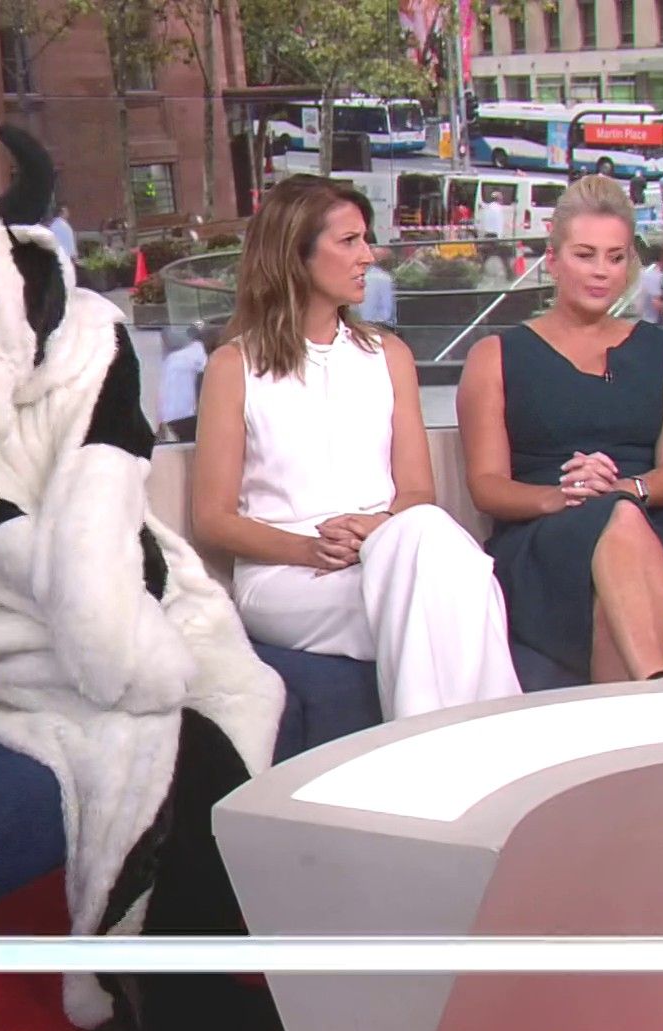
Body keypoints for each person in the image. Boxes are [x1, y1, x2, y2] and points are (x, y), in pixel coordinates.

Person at [191, 175, 520, 722]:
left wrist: (377, 530)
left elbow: (417, 493)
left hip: (389, 548)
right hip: (287, 575)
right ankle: (486, 746)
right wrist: (310, 550)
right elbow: (212, 519)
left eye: (365, 240)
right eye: (349, 241)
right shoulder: (234, 366)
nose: (369, 255)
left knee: (431, 546)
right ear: (295, 255)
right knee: (456, 589)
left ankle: (428, 748)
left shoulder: (389, 356)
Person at [458, 176, 663, 682]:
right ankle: (657, 690)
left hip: (648, 530)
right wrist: (564, 497)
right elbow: (487, 486)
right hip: (540, 538)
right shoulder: (495, 356)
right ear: (553, 260)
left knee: (620, 524)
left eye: (616, 258)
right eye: (585, 255)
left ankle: (644, 699)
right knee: (613, 525)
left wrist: (622, 490)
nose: (602, 272)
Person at [158, 322, 214, 441]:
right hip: (189, 413)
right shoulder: (198, 351)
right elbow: (209, 374)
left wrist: (160, 420)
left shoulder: (171, 358)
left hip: (172, 416)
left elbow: (163, 391)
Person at [359, 243, 397, 327]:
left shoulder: (362, 276)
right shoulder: (384, 278)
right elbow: (386, 311)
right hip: (378, 325)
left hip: (362, 324)